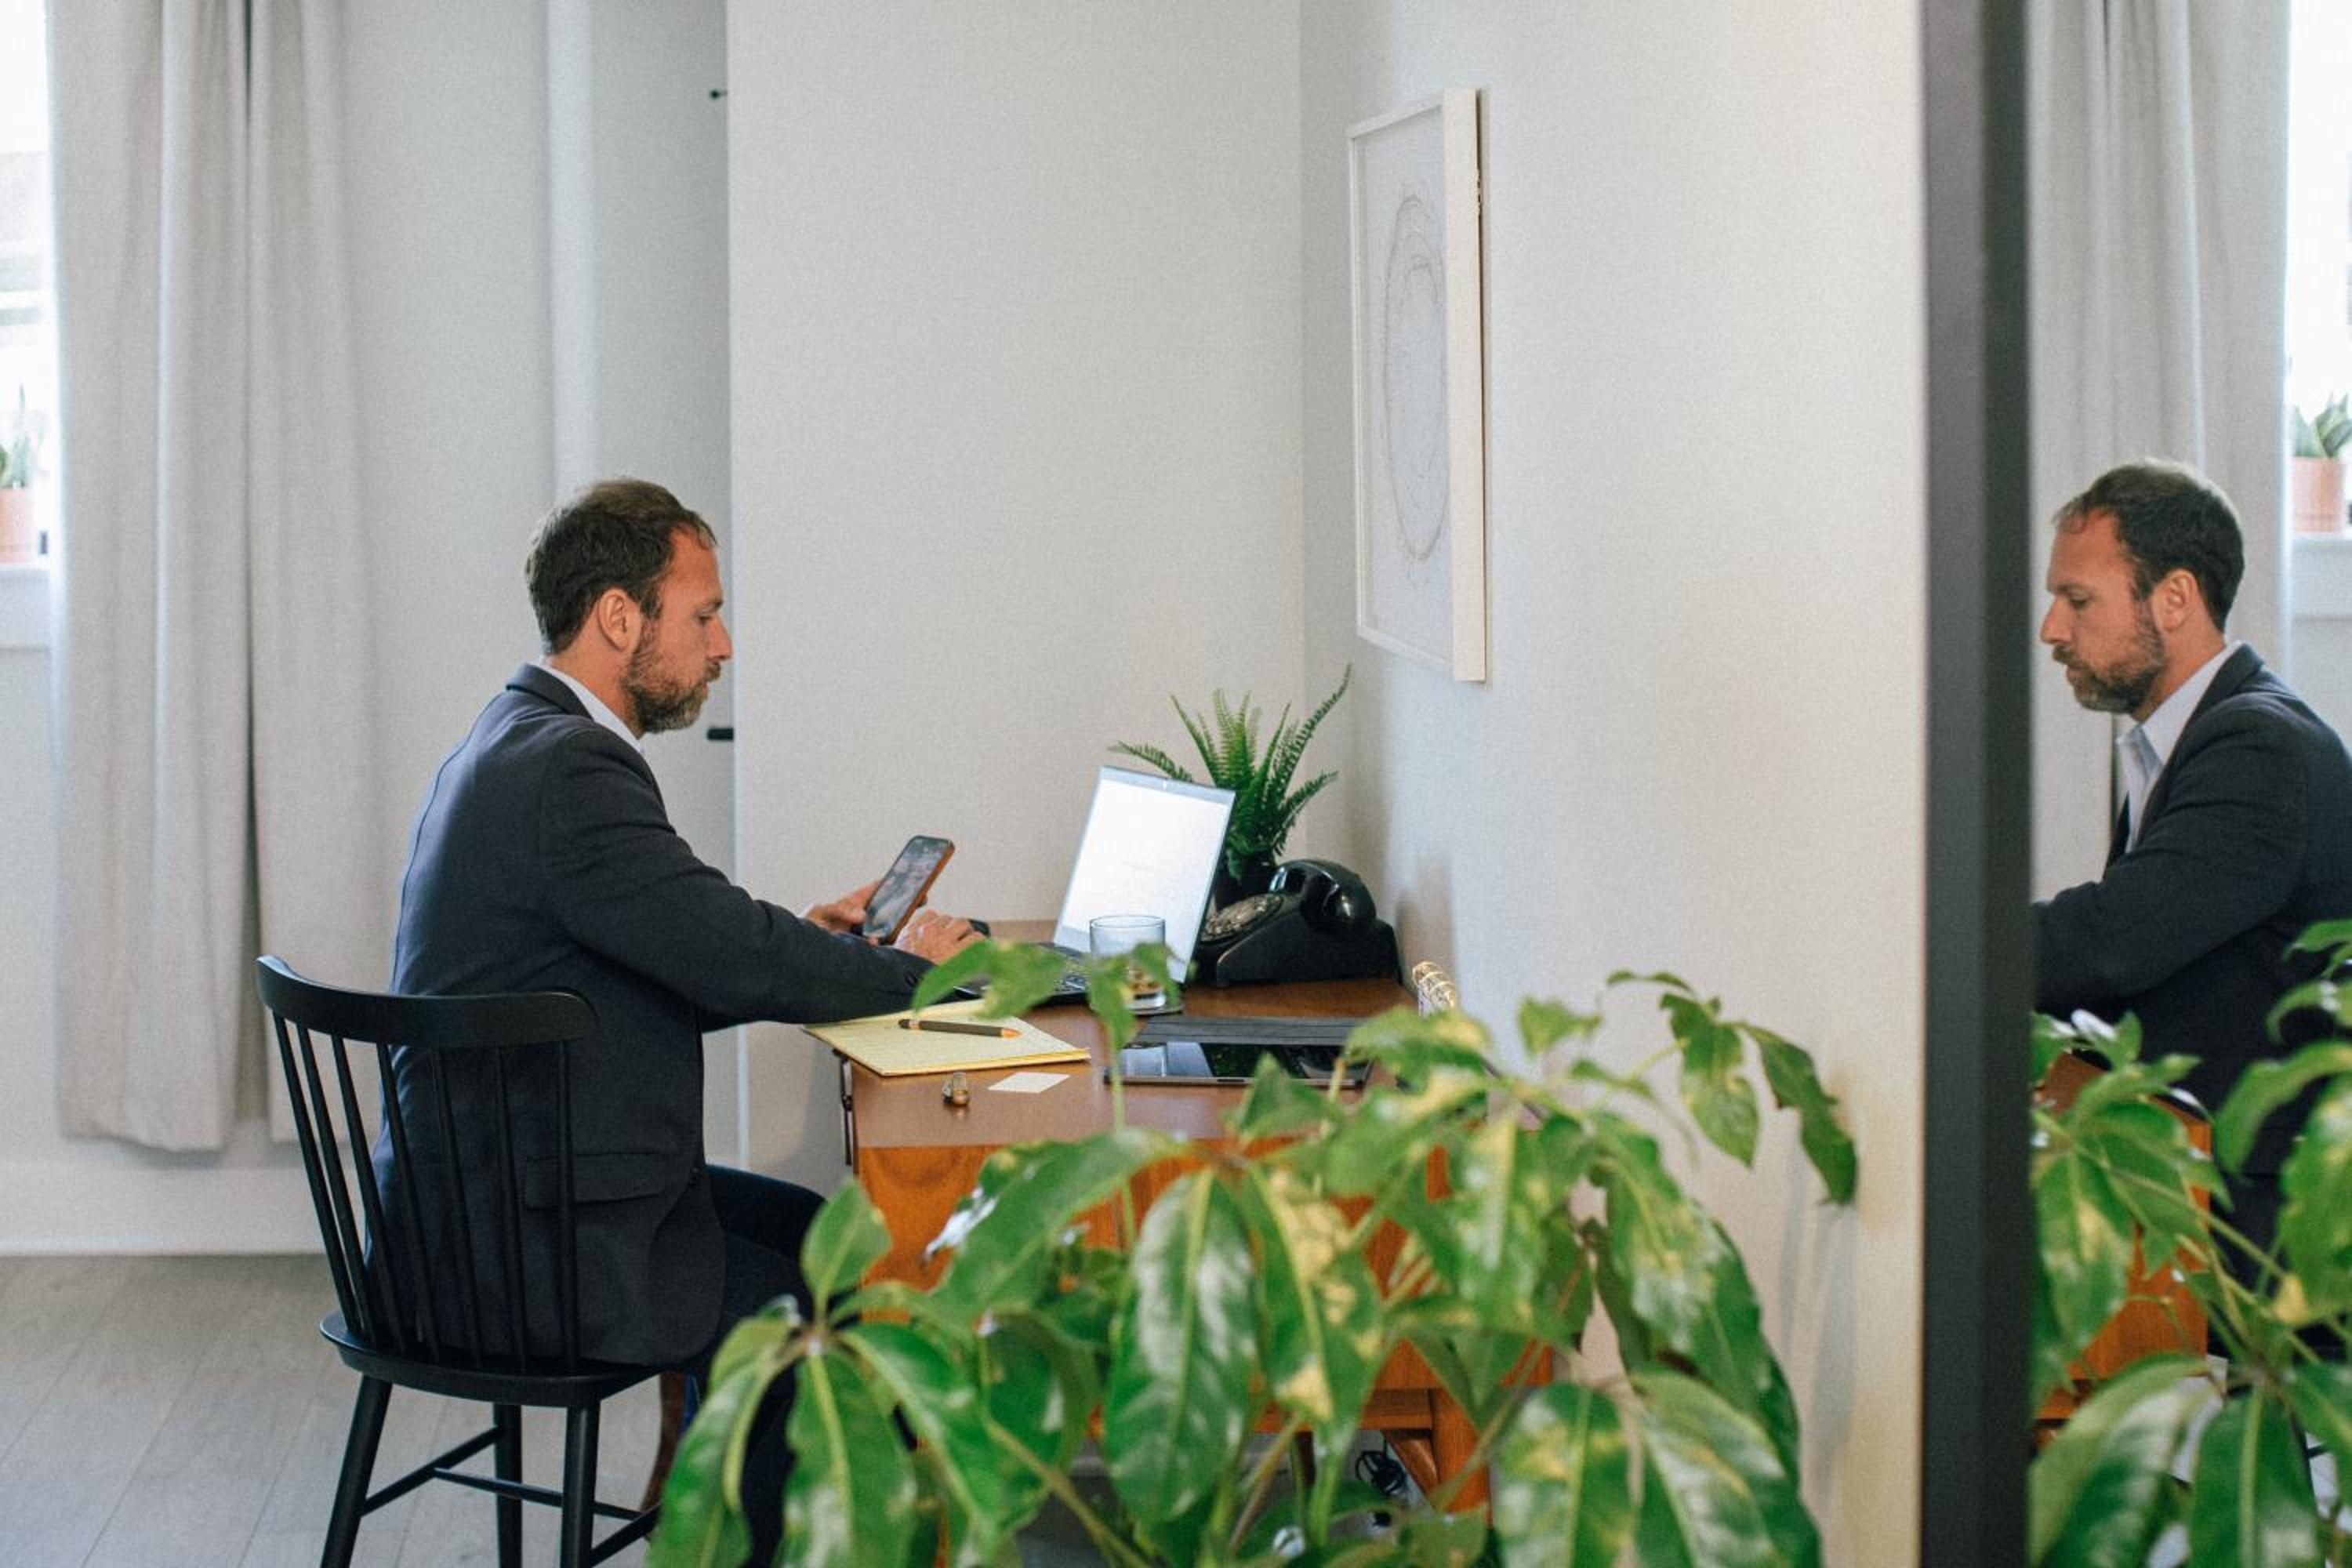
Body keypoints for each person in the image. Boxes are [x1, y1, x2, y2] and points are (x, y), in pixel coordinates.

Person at [384, 478, 978, 1555]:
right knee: (830, 1323)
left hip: (477, 1208)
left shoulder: (516, 733)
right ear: (621, 617)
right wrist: (918, 975)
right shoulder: (572, 767)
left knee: (827, 1241)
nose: (723, 645)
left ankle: (722, 1535)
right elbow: (733, 955)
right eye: (704, 615)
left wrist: (825, 945)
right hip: (517, 1249)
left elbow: (676, 946)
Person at [2033, 459, 2352, 1256]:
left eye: (2078, 600)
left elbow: (2115, 941)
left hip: (2265, 1228)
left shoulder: (2257, 747)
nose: (2052, 630)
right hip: (2211, 1192)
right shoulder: (2193, 738)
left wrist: (1935, 960)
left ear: (2174, 598)